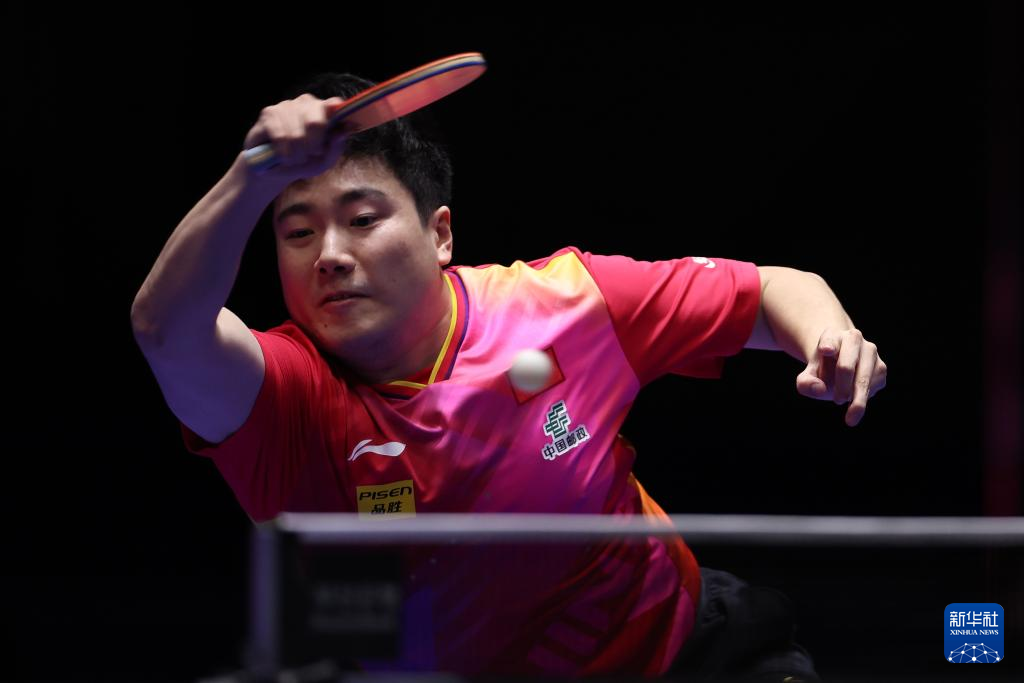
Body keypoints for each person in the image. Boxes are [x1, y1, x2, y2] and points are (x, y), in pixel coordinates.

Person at [131, 71, 886, 680]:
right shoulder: (285, 401)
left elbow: (770, 289)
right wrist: (250, 177)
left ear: (440, 234)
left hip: (688, 653)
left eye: (362, 220)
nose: (329, 254)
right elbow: (167, 329)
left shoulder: (564, 303)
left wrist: (829, 337)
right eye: (297, 232)